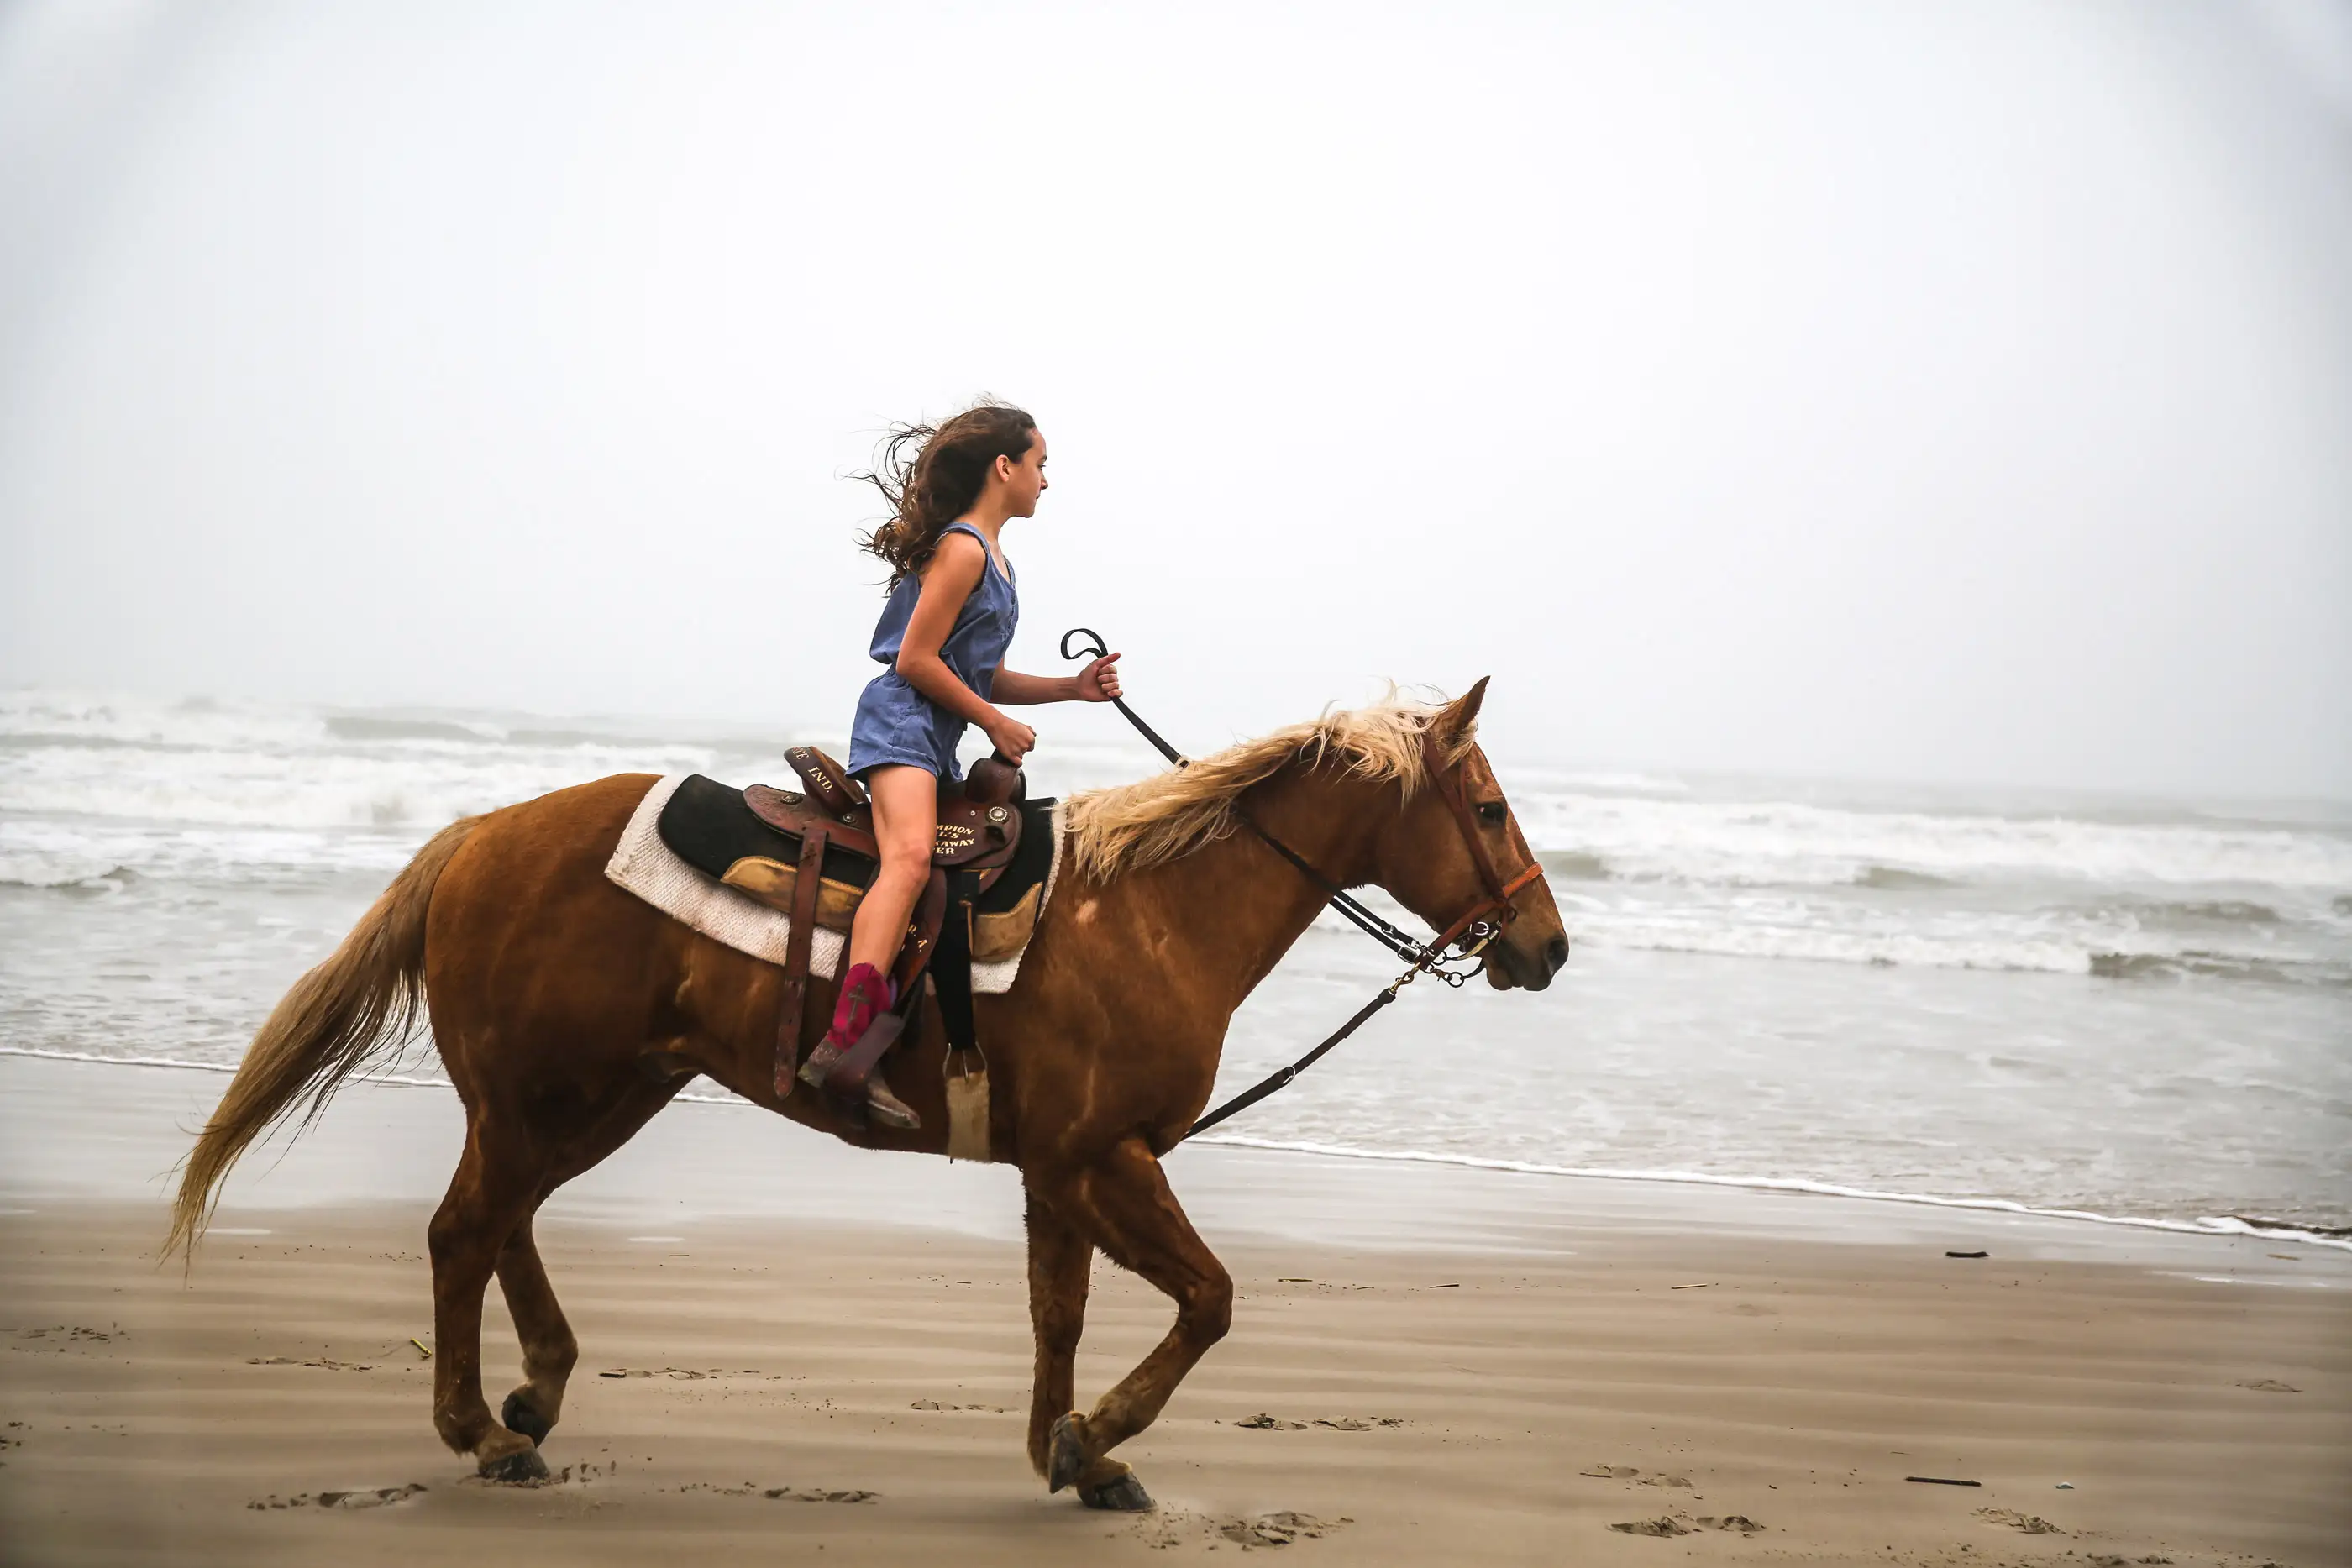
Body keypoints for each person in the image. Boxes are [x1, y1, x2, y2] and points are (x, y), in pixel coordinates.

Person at [799, 402, 1122, 1128]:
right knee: (910, 859)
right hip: (903, 721)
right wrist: (992, 722)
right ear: (1004, 467)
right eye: (1040, 465)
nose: (1046, 481)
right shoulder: (966, 549)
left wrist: (1071, 689)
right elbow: (915, 661)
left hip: (937, 729)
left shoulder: (999, 560)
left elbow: (983, 674)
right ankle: (847, 1039)